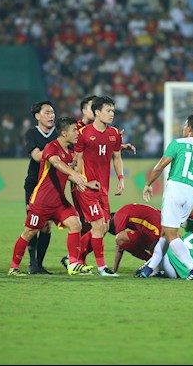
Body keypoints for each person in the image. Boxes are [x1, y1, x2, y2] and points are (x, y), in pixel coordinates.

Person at [8, 117, 98, 277]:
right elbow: (56, 163)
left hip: (58, 202)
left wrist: (86, 182)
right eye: (74, 130)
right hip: (41, 202)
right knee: (29, 232)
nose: (77, 133)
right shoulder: (51, 147)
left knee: (75, 224)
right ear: (64, 133)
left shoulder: (69, 153)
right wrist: (73, 173)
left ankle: (73, 264)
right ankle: (14, 267)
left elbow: (65, 173)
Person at [138, 114, 193, 280]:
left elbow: (159, 167)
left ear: (188, 128)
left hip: (176, 189)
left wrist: (148, 184)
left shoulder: (177, 144)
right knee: (166, 232)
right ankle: (150, 268)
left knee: (171, 234)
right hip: (191, 193)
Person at [74, 96, 124, 276]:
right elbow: (78, 161)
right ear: (97, 112)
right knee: (97, 226)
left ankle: (75, 259)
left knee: (103, 227)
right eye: (108, 111)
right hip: (87, 188)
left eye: (113, 111)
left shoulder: (115, 134)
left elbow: (117, 157)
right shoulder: (84, 133)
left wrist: (121, 178)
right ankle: (102, 268)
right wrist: (82, 182)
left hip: (103, 189)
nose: (112, 114)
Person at [22, 101, 57, 274]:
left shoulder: (59, 133)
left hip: (52, 186)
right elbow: (36, 156)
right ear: (37, 116)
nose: (51, 115)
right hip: (34, 184)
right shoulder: (31, 133)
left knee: (47, 225)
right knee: (33, 225)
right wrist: (57, 153)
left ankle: (39, 264)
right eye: (47, 112)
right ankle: (32, 263)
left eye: (52, 112)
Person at [108, 203, 162, 273]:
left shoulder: (119, 215)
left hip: (155, 232)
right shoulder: (130, 209)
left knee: (120, 239)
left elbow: (119, 239)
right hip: (164, 230)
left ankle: (149, 260)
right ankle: (154, 261)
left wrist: (114, 270)